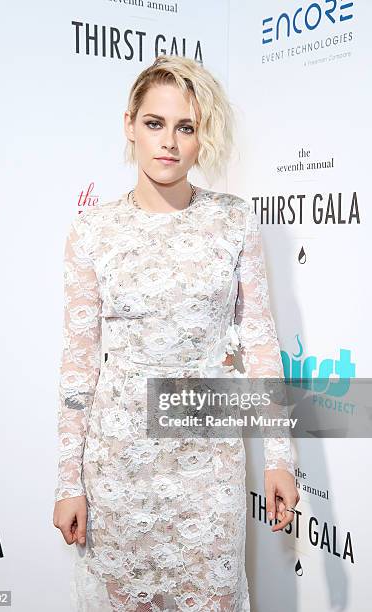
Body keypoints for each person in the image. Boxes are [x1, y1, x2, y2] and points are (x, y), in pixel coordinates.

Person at [53, 54, 299, 611]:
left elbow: (260, 345)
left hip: (206, 462)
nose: (169, 142)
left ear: (200, 137)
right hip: (118, 460)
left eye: (186, 127)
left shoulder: (234, 221)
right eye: (155, 123)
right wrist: (69, 480)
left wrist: (279, 458)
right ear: (130, 127)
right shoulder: (92, 230)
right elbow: (78, 360)